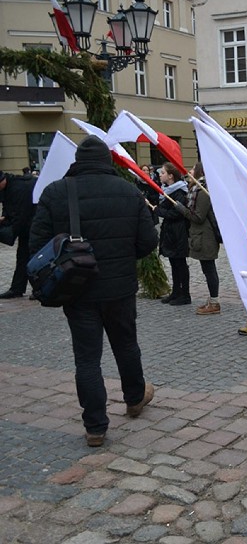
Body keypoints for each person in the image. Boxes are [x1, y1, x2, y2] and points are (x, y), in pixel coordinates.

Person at [29, 135, 158, 447]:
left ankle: (96, 427)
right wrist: (123, 258)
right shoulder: (128, 191)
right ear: (107, 161)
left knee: (87, 358)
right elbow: (148, 242)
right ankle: (134, 397)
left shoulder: (55, 192)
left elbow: (36, 248)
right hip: (120, 288)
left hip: (77, 288)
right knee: (126, 345)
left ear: (77, 161)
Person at [174, 163, 221, 315]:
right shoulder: (196, 189)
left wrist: (181, 209)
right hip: (200, 236)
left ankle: (214, 302)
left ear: (199, 172)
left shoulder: (202, 191)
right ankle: (212, 299)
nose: (189, 172)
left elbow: (198, 217)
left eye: (193, 169)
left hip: (205, 237)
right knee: (207, 269)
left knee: (209, 269)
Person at [155, 163, 191, 305]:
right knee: (173, 262)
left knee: (180, 263)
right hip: (170, 231)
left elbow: (177, 214)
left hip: (179, 232)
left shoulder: (180, 192)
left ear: (171, 176)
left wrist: (159, 211)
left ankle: (185, 294)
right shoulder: (167, 191)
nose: (160, 174)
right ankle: (176, 292)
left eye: (163, 172)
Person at [0, 170, 37, 299]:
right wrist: (4, 216)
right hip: (27, 226)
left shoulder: (17, 188)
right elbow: (7, 206)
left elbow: (20, 215)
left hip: (34, 225)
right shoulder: (7, 187)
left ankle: (38, 289)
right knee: (23, 257)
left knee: (34, 257)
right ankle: (17, 288)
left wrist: (10, 234)